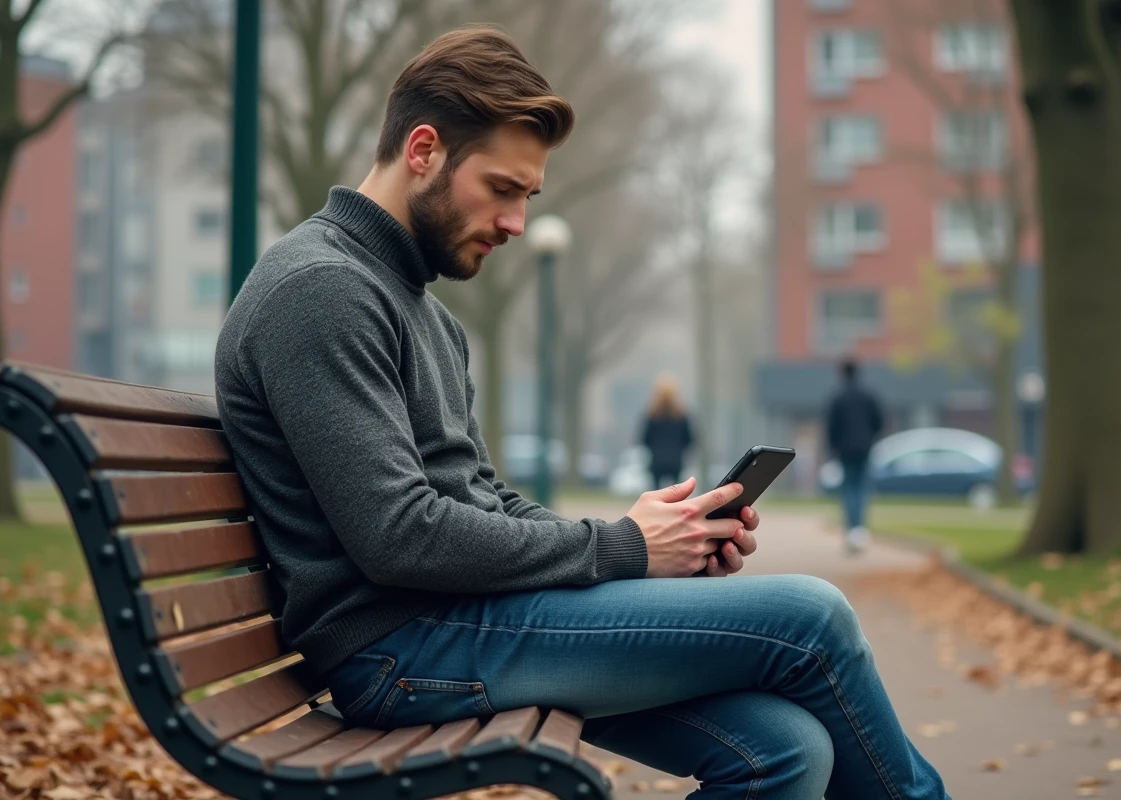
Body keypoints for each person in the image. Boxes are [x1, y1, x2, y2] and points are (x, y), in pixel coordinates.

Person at [214, 25, 949, 800]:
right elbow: (399, 536)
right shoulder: (322, 290)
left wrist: (661, 546)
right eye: (501, 189)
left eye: (527, 198)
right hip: (403, 648)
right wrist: (623, 548)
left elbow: (485, 498)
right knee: (814, 616)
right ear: (423, 150)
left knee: (785, 748)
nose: (515, 224)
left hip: (464, 622)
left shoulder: (424, 313)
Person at [825, 358, 885, 554]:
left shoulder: (838, 398)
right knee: (861, 489)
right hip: (865, 449)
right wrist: (870, 438)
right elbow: (879, 422)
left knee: (849, 489)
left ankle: (852, 529)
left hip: (845, 450)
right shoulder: (869, 396)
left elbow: (831, 427)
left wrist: (832, 449)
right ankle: (860, 529)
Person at [640, 375, 694, 489]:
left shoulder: (652, 415)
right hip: (675, 461)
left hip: (657, 460)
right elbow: (689, 439)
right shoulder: (681, 416)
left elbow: (644, 439)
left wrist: (654, 449)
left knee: (655, 492)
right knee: (676, 492)